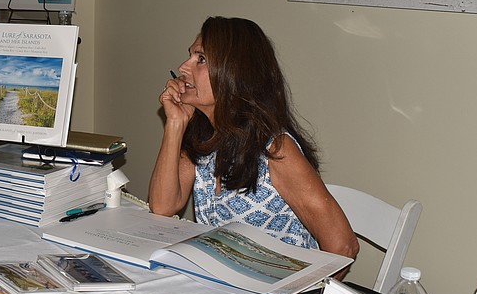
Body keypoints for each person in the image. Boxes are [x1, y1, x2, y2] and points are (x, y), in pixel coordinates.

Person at [148, 16, 359, 260]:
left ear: (234, 73)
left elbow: (343, 246)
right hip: (224, 285)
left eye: (201, 59)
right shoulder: (203, 136)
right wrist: (175, 123)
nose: (184, 67)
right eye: (191, 56)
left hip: (275, 291)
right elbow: (163, 208)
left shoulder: (277, 151)